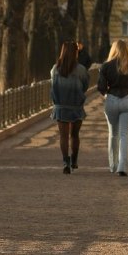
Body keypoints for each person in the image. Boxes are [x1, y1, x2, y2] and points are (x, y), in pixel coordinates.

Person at [98, 39, 128, 176]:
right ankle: (122, 166)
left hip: (111, 99)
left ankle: (113, 165)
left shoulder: (106, 66)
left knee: (113, 134)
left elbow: (101, 87)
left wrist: (107, 93)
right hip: (127, 100)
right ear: (127, 50)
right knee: (124, 135)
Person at [50, 41, 89, 174]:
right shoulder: (81, 69)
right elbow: (85, 86)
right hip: (76, 106)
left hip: (60, 106)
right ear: (76, 53)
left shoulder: (55, 69)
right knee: (75, 135)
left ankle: (65, 162)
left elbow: (52, 85)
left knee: (63, 136)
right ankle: (74, 160)